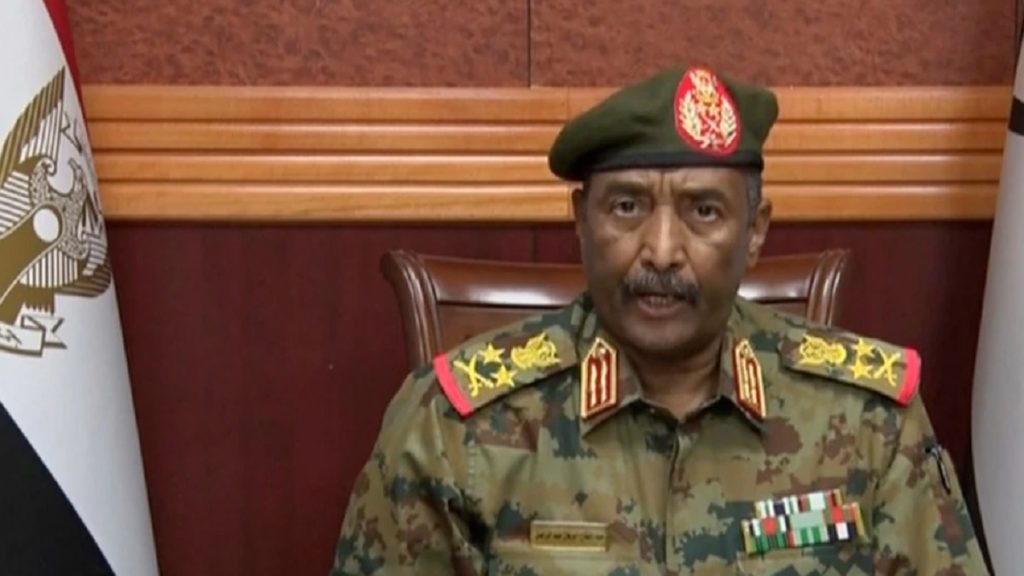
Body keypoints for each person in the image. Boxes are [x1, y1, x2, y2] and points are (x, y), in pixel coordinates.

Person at [328, 66, 989, 575]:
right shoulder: (452, 430)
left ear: (755, 232)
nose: (663, 250)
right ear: (580, 220)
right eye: (626, 207)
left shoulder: (868, 422)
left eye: (704, 212)